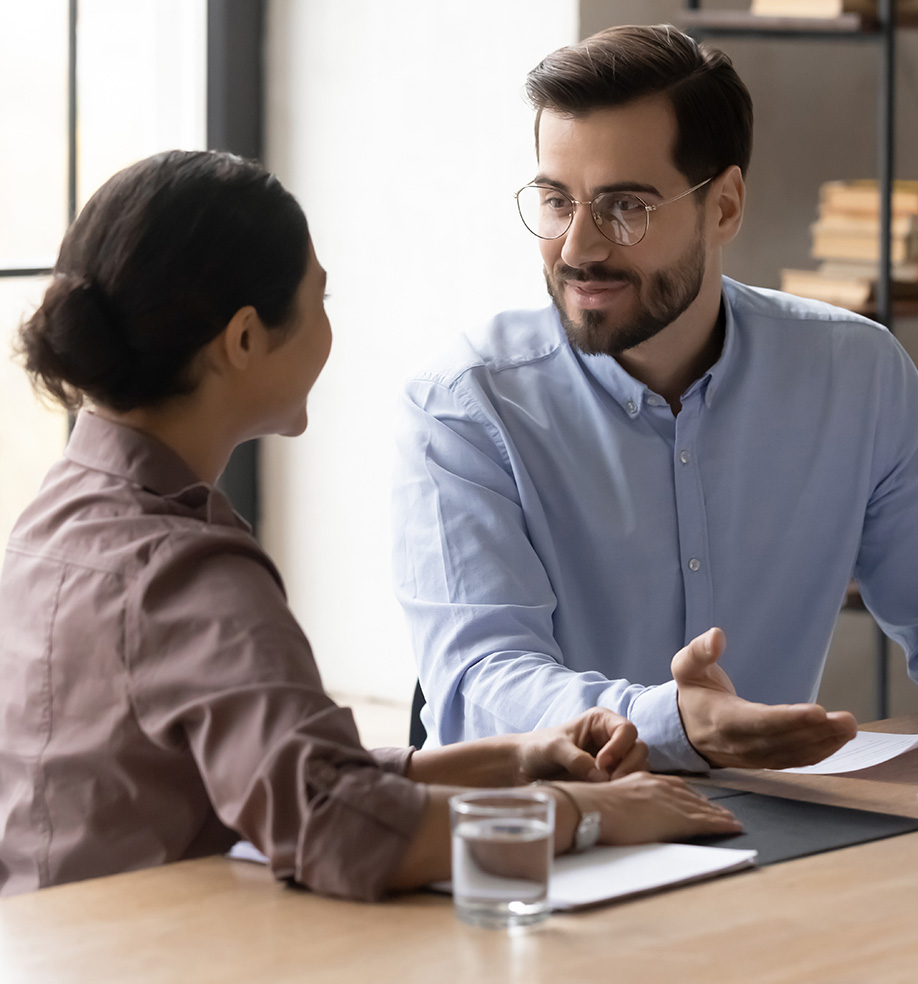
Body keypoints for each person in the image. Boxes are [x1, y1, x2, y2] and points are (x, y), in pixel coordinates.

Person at [0, 149, 741, 901]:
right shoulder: (187, 571)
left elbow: (299, 777)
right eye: (320, 299)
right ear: (246, 339)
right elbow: (336, 828)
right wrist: (585, 813)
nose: (328, 327)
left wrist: (513, 756)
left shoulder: (57, 519)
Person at [391, 24, 918, 774]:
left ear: (724, 207)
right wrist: (670, 721)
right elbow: (482, 682)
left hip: (768, 833)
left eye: (625, 208)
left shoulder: (855, 373)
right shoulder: (465, 406)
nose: (578, 246)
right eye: (557, 201)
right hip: (544, 842)